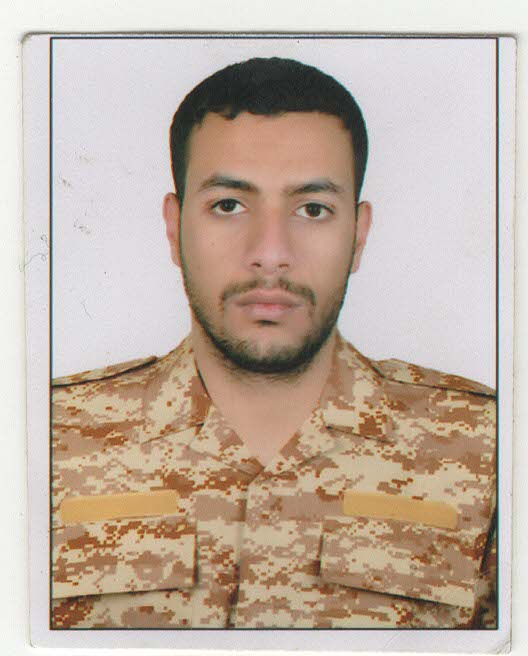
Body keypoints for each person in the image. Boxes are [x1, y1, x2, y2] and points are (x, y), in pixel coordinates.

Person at [51, 57, 496, 629]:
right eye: (228, 205)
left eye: (312, 209)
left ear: (358, 235)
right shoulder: (46, 440)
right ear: (174, 226)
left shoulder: (488, 449)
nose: (270, 252)